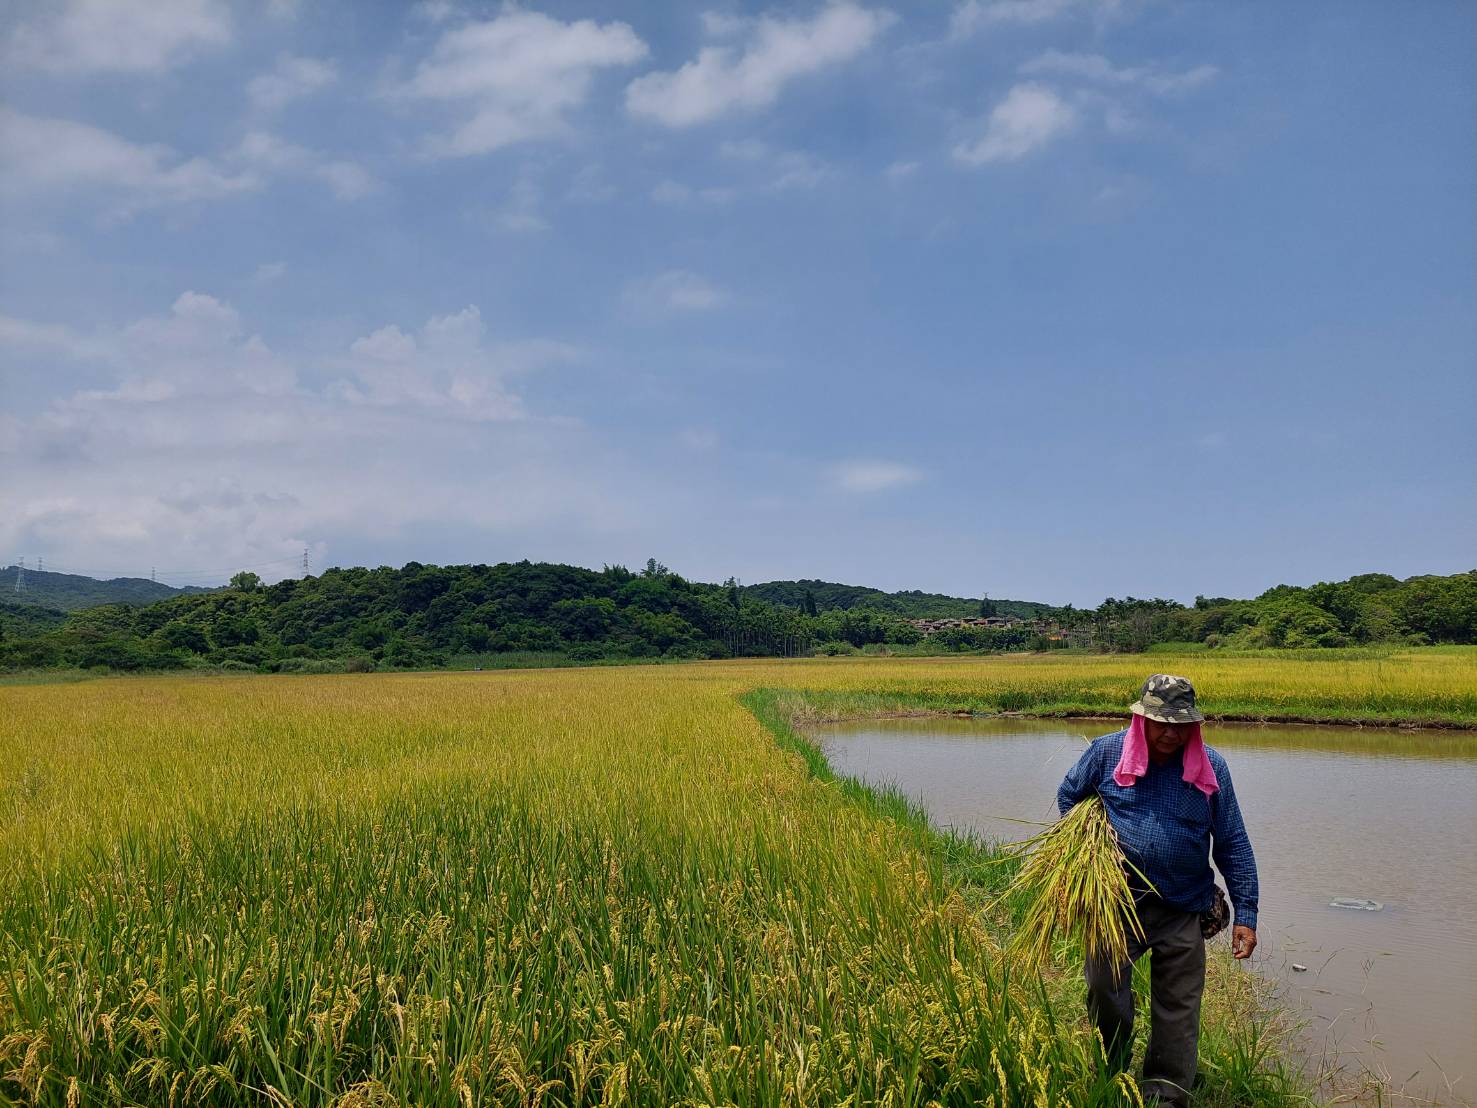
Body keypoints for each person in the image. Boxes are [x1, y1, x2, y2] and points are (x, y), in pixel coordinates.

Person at [1055, 673, 1259, 1106]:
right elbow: (1069, 796)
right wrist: (1089, 845)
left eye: (1180, 723)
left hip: (1183, 906)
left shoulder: (1211, 766)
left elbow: (1232, 841)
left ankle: (1166, 1094)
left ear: (1194, 725)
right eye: (1160, 722)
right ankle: (1111, 1075)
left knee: (1178, 1008)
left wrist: (1247, 914)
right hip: (1114, 904)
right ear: (1140, 718)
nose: (1170, 732)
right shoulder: (1107, 752)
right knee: (1105, 993)